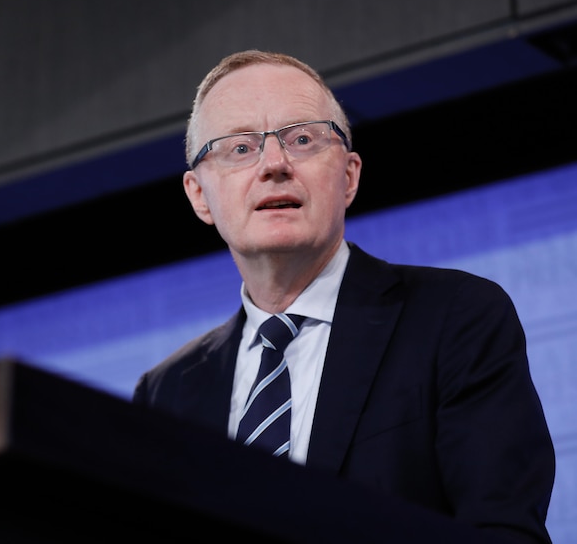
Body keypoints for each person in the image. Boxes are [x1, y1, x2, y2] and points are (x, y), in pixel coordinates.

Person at [132, 49, 554, 543]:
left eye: (303, 139)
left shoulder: (456, 318)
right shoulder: (166, 393)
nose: (274, 164)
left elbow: (502, 530)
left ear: (349, 176)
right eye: (240, 148)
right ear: (199, 195)